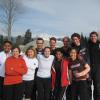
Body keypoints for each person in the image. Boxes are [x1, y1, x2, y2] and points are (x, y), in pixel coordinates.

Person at [88, 31, 100, 100]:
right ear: (90, 37)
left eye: (94, 36)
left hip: (98, 68)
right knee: (88, 86)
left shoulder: (99, 45)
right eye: (92, 36)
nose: (93, 37)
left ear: (97, 37)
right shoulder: (87, 45)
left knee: (97, 87)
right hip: (89, 68)